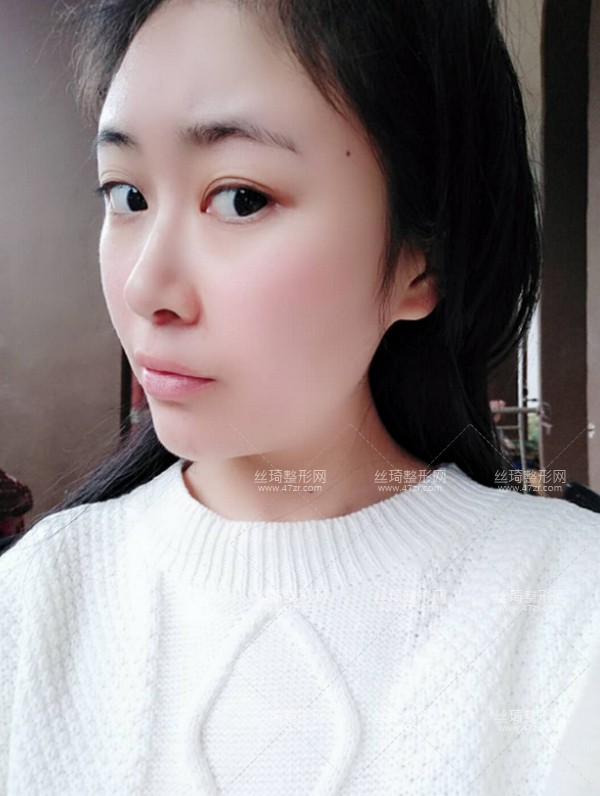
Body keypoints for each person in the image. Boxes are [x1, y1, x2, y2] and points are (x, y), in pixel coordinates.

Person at [1, 0, 599, 793]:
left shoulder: (572, 613)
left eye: (240, 198)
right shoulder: (33, 605)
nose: (146, 287)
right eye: (127, 195)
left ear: (422, 260)